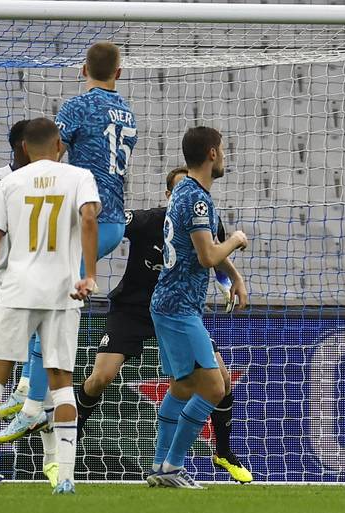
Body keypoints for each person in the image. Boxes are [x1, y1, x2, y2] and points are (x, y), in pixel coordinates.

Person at [0, 40, 137, 441]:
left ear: (82, 69)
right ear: (119, 73)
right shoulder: (128, 113)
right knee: (49, 294)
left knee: (50, 301)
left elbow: (52, 154)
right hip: (112, 222)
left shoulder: (77, 107)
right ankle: (26, 387)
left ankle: (34, 406)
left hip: (87, 220)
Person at [74, 166, 252, 483]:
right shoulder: (148, 220)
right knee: (101, 377)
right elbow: (111, 227)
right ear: (169, 195)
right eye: (180, 189)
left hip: (177, 310)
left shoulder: (204, 217)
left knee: (219, 381)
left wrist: (229, 283)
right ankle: (71, 432)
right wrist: (85, 265)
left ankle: (220, 452)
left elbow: (216, 254)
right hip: (135, 309)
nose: (188, 194)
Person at [0, 117, 101, 495]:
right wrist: (88, 274)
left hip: (17, 290)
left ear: (23, 147)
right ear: (59, 144)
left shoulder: (10, 182)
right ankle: (67, 477)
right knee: (62, 385)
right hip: (62, 292)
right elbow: (89, 217)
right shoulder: (79, 177)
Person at [146, 127, 248, 489]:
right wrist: (236, 240)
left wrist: (234, 275)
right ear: (211, 154)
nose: (223, 156)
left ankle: (160, 466)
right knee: (215, 389)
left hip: (174, 304)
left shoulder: (187, 191)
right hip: (178, 308)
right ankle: (172, 466)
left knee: (183, 387)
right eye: (221, 149)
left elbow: (203, 249)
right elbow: (208, 255)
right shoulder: (198, 199)